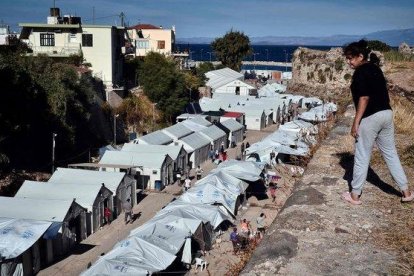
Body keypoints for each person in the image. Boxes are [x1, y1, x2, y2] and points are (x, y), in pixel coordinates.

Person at [342, 40, 413, 205]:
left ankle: (354, 195)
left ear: (360, 56)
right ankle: (406, 192)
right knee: (391, 153)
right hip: (386, 114)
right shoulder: (375, 68)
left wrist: (356, 122)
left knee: (361, 156)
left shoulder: (360, 73)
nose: (348, 62)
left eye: (350, 58)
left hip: (371, 118)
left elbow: (364, 97)